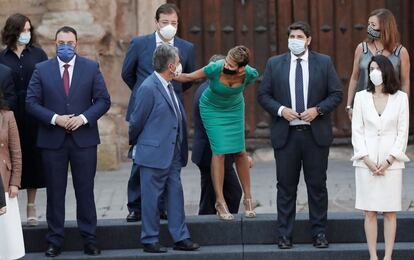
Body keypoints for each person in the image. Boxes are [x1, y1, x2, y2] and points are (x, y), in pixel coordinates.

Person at [26, 26, 111, 257]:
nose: (65, 46)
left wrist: (83, 119)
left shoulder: (91, 67)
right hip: (52, 141)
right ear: (55, 44)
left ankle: (90, 239)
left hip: (84, 141)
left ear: (77, 44)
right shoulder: (41, 69)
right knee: (55, 193)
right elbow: (31, 102)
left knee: (85, 192)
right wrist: (56, 119)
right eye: (61, 43)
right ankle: (54, 240)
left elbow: (103, 100)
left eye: (69, 43)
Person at [257, 21, 342, 249]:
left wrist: (318, 110)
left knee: (317, 186)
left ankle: (319, 233)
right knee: (285, 187)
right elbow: (263, 95)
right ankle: (284, 235)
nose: (295, 40)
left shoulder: (323, 63)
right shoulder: (275, 64)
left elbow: (336, 93)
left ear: (308, 40)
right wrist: (281, 110)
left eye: (299, 36)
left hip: (315, 136)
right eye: (292, 36)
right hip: (287, 136)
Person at [121, 3, 195, 222]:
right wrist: (146, 94)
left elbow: (187, 79)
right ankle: (136, 206)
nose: (169, 27)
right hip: (144, 110)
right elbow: (128, 74)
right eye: (165, 23)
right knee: (140, 159)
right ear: (156, 23)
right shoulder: (139, 44)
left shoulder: (186, 47)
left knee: (168, 159)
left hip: (171, 111)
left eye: (174, 23)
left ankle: (161, 206)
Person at [129, 43, 199, 253]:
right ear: (170, 66)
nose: (180, 66)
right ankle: (150, 239)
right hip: (153, 153)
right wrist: (139, 145)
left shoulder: (169, 85)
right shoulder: (149, 87)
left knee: (175, 195)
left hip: (173, 153)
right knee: (151, 198)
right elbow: (136, 121)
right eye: (178, 63)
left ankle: (181, 237)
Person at [176, 45, 258, 220]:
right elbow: (188, 77)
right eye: (226, 62)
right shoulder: (214, 69)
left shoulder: (249, 74)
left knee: (241, 153)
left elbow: (251, 81)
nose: (226, 66)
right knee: (213, 196)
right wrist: (170, 73)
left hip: (234, 108)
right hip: (212, 117)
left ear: (241, 68)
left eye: (231, 65)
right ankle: (219, 204)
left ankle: (249, 199)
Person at [351, 55, 409, 260]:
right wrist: (366, 159)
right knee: (370, 212)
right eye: (370, 68)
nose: (373, 72)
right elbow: (356, 130)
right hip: (365, 163)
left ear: (386, 71)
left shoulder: (401, 98)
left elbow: (402, 132)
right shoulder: (360, 97)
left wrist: (389, 161)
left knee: (390, 212)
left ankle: (388, 256)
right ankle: (373, 256)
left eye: (377, 68)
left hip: (390, 164)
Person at [0, 13, 48, 226]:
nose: (26, 34)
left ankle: (31, 204)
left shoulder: (38, 54)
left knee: (32, 156)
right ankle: (10, 205)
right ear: (13, 32)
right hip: (9, 113)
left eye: (29, 30)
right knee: (9, 158)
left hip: (33, 113)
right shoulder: (2, 57)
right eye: (22, 30)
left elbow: (47, 82)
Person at [192, 55, 243, 215]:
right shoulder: (209, 92)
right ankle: (209, 234)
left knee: (223, 194)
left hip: (215, 154)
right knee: (222, 196)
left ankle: (221, 230)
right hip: (210, 155)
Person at [346, 8, 410, 119]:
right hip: (364, 106)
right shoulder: (362, 48)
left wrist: (404, 108)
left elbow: (405, 82)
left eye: (373, 25)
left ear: (385, 27)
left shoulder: (401, 52)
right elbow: (355, 78)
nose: (369, 28)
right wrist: (349, 105)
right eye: (368, 24)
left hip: (391, 107)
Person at [0, 91, 24, 260]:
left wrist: (15, 182)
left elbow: (15, 152)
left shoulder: (7, 116)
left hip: (5, 182)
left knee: (8, 239)